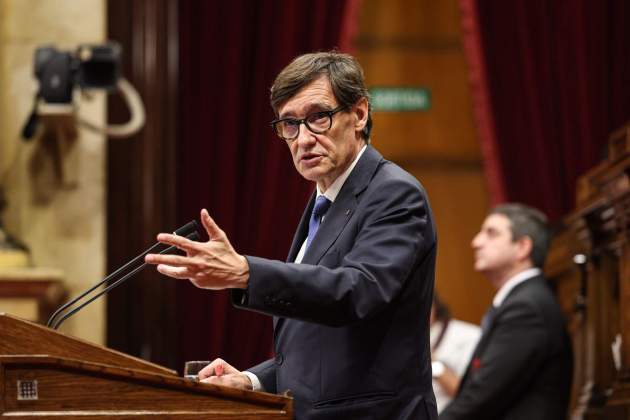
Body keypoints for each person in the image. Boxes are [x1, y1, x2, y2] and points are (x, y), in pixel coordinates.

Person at [145, 51, 438, 419]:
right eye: (289, 124)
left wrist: (245, 272)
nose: (303, 139)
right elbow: (320, 342)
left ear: (359, 114)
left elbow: (355, 293)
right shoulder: (323, 200)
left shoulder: (394, 193)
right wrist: (252, 381)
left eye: (318, 117)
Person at [440, 203, 573, 420]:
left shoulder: (526, 308)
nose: (476, 242)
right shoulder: (521, 300)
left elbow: (482, 397)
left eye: (491, 234)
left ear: (522, 247)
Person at [429, 294, 480, 413]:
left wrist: (433, 363)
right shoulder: (395, 340)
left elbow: (468, 393)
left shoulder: (469, 336)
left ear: (434, 305)